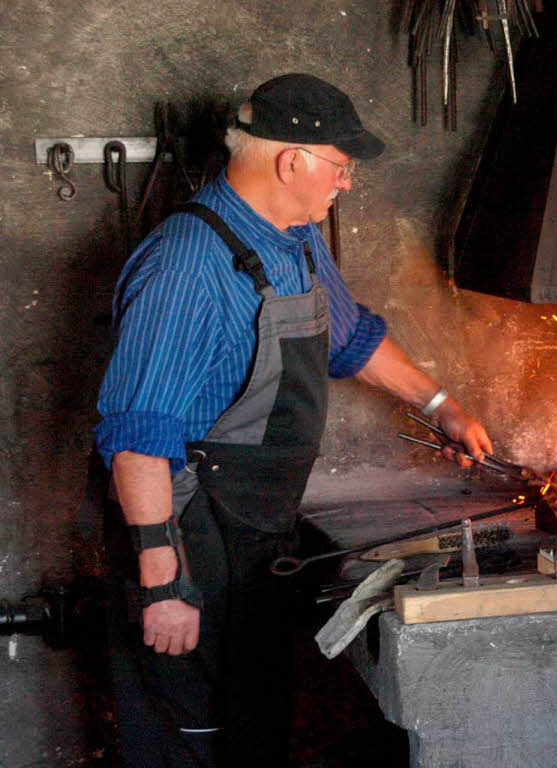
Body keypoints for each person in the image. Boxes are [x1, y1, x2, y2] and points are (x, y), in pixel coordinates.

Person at [93, 73, 492, 768]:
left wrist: (442, 408)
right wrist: (164, 587)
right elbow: (137, 443)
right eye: (342, 168)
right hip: (189, 544)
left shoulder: (294, 239)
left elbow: (350, 339)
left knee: (252, 728)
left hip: (252, 532)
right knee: (196, 740)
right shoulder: (188, 265)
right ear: (291, 162)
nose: (346, 185)